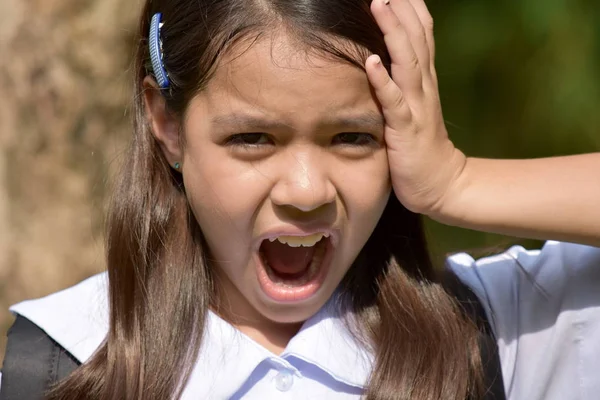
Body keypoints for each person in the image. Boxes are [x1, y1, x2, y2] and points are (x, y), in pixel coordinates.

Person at [1, 0, 599, 399]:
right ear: (168, 123)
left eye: (353, 138)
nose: (307, 191)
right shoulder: (60, 362)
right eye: (253, 138)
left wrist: (457, 182)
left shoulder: (496, 333)